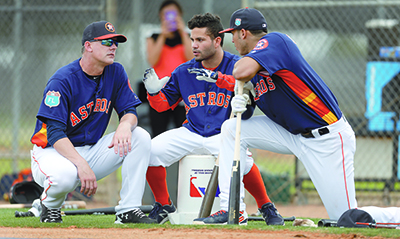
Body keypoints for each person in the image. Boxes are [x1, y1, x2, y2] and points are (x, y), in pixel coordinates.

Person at [198, 7, 400, 224]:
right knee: (231, 129)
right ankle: (232, 209)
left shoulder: (275, 42)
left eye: (233, 34)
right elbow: (245, 116)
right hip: (291, 134)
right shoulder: (256, 66)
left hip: (326, 138)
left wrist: (238, 82)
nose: (233, 41)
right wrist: (241, 99)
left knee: (346, 219)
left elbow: (240, 72)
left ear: (244, 33)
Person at [142, 12, 284, 226]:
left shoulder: (239, 65)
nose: (194, 45)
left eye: (200, 40)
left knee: (242, 160)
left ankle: (265, 205)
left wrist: (237, 95)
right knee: (149, 151)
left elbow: (248, 108)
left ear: (217, 41)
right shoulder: (184, 70)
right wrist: (153, 92)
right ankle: (164, 205)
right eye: (192, 39)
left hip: (222, 134)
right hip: (192, 131)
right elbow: (162, 106)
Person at [30, 21, 156, 224]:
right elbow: (54, 133)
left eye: (116, 42)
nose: (113, 46)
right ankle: (49, 206)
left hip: (92, 150)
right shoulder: (62, 80)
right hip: (53, 151)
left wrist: (124, 124)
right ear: (88, 46)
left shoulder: (115, 72)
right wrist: (81, 164)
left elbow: (129, 111)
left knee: (139, 135)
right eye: (107, 42)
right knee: (65, 178)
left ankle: (128, 209)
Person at [145, 0, 193, 137]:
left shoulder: (188, 37)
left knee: (184, 133)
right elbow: (152, 60)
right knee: (158, 132)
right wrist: (163, 35)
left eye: (173, 14)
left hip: (183, 92)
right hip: (160, 92)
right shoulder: (153, 37)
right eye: (166, 14)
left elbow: (192, 58)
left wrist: (183, 32)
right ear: (161, 16)